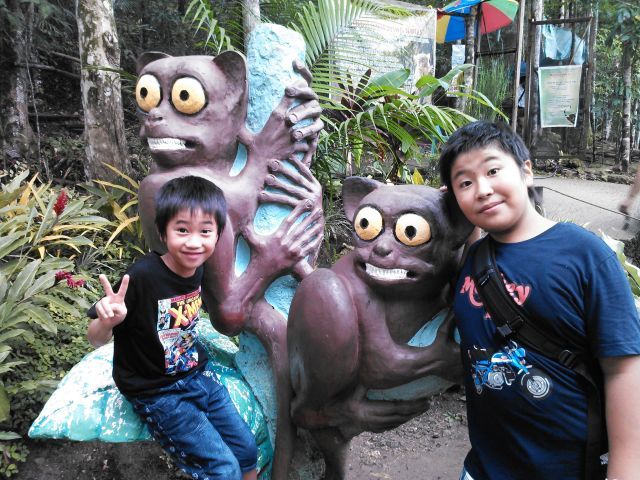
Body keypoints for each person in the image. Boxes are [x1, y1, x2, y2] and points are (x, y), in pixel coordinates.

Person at [438, 120, 640, 480]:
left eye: (493, 171)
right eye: (465, 183)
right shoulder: (473, 259)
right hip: (482, 469)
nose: (482, 189)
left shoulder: (584, 255)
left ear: (526, 171)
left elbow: (623, 369)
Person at [87, 176, 257, 480]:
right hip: (156, 390)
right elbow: (95, 339)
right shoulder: (141, 277)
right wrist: (107, 322)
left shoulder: (198, 267)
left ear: (217, 235)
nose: (194, 242)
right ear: (163, 232)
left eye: (205, 231)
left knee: (247, 451)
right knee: (224, 470)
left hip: (196, 374)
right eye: (182, 230)